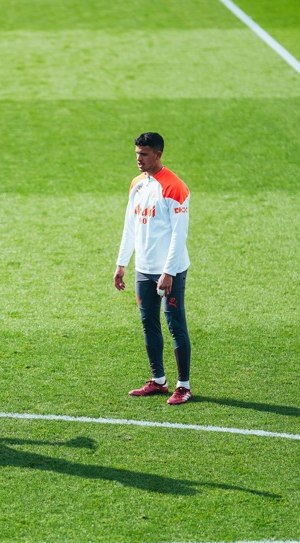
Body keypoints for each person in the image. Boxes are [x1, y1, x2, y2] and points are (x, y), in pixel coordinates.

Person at [113, 132, 193, 405]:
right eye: (137, 154)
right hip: (144, 270)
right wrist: (121, 263)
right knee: (149, 324)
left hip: (170, 271)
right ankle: (158, 380)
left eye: (144, 154)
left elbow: (179, 235)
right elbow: (131, 225)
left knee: (175, 324)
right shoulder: (137, 184)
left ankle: (184, 386)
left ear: (158, 154)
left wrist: (169, 272)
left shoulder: (175, 188)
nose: (139, 159)